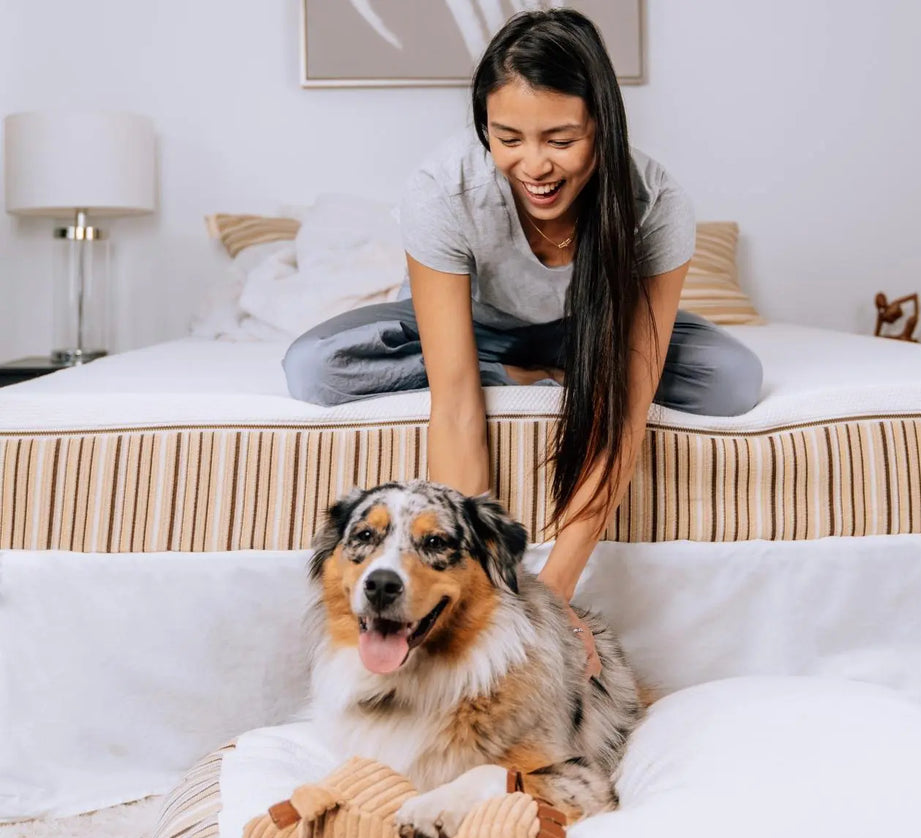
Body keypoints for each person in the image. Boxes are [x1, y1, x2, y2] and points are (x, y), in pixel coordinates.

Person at [284, 8, 762, 605]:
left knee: (734, 378)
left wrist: (552, 597)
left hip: (593, 332)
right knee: (315, 366)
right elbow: (455, 399)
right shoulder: (444, 188)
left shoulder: (654, 202)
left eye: (561, 140)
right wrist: (474, 591)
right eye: (507, 139)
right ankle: (526, 372)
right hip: (473, 328)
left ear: (603, 127)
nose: (534, 166)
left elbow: (622, 415)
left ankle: (567, 361)